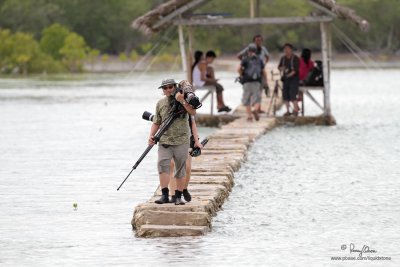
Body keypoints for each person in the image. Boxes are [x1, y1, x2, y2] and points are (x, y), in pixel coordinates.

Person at [149, 78, 196, 205]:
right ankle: (164, 195)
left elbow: (193, 112)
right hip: (164, 140)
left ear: (175, 87)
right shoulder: (160, 103)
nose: (168, 89)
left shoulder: (184, 99)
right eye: (165, 88)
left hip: (181, 140)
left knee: (180, 168)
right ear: (162, 90)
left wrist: (182, 101)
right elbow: (156, 122)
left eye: (171, 87)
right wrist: (151, 136)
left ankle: (178, 196)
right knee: (163, 166)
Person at [169, 80, 203, 203]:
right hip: (172, 138)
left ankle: (184, 188)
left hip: (187, 137)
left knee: (187, 167)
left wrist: (197, 140)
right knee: (172, 165)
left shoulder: (188, 101)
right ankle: (173, 195)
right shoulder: (168, 101)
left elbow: (192, 121)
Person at [237, 34, 270, 112]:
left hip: (260, 71)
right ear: (254, 41)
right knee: (252, 91)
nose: (258, 42)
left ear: (262, 41)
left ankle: (257, 109)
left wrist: (264, 64)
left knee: (260, 90)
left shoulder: (263, 49)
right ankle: (255, 108)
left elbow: (267, 57)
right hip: (250, 73)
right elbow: (239, 56)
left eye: (260, 40)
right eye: (257, 40)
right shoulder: (249, 48)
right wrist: (245, 63)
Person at [278, 43, 300, 117]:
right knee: (285, 95)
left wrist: (288, 75)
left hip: (294, 79)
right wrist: (283, 68)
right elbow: (279, 67)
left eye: (287, 49)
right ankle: (287, 111)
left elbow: (295, 70)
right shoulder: (283, 58)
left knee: (293, 94)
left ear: (291, 49)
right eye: (285, 49)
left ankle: (296, 110)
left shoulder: (295, 58)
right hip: (285, 79)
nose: (286, 50)